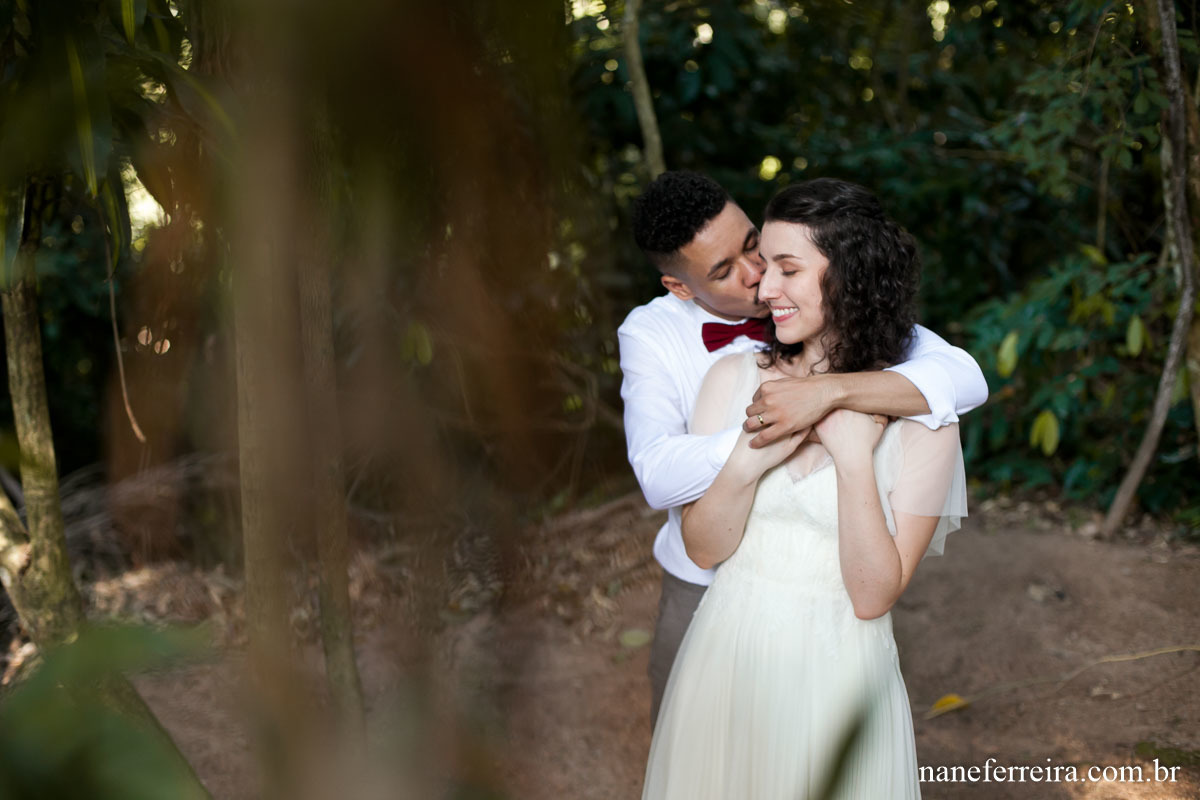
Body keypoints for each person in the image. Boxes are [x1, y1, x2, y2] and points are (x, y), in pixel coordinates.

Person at [619, 171, 986, 725]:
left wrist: (824, 393)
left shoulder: (836, 305)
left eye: (755, 250)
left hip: (828, 611)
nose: (756, 279)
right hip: (706, 591)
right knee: (693, 735)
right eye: (724, 271)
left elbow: (964, 379)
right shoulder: (653, 336)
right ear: (681, 288)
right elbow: (657, 475)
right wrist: (773, 428)